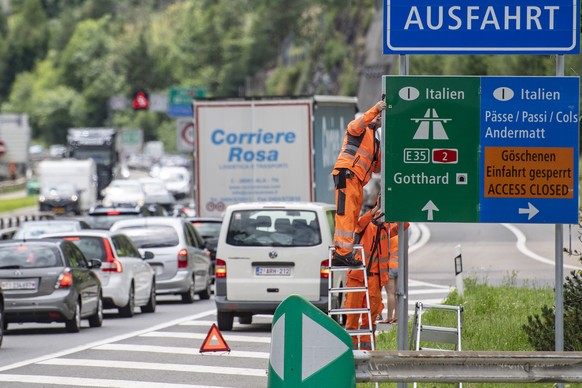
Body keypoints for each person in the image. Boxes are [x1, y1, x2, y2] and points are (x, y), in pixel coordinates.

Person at [344, 200, 408, 350]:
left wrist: (398, 206)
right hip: (357, 278)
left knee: (370, 320)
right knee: (352, 318)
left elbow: (404, 225)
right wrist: (376, 209)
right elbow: (360, 224)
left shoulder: (385, 229)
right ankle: (351, 353)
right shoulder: (365, 225)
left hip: (374, 280)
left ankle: (367, 352)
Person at [332, 99, 386, 266]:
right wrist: (376, 109)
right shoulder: (358, 129)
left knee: (353, 215)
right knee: (346, 213)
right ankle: (342, 253)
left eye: (380, 117)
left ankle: (345, 252)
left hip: (356, 180)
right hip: (347, 174)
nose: (378, 118)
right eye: (376, 116)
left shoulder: (375, 142)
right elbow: (358, 124)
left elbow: (377, 168)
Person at [382, 233, 400, 324]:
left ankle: (389, 317)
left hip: (390, 267)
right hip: (400, 267)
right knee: (397, 294)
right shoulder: (401, 236)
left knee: (390, 294)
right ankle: (396, 316)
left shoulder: (388, 236)